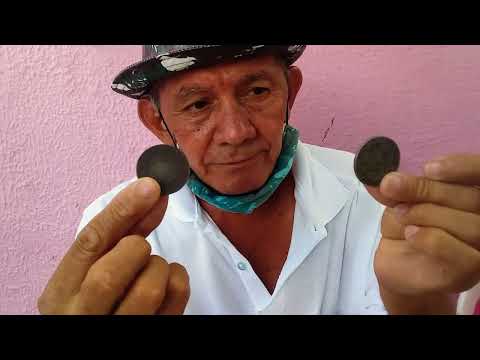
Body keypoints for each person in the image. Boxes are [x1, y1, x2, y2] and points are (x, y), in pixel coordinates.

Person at [38, 45, 480, 315]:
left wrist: (419, 307)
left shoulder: (379, 203)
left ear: (291, 91)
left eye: (257, 92)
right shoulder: (116, 232)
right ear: (156, 121)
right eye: (197, 105)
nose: (236, 133)